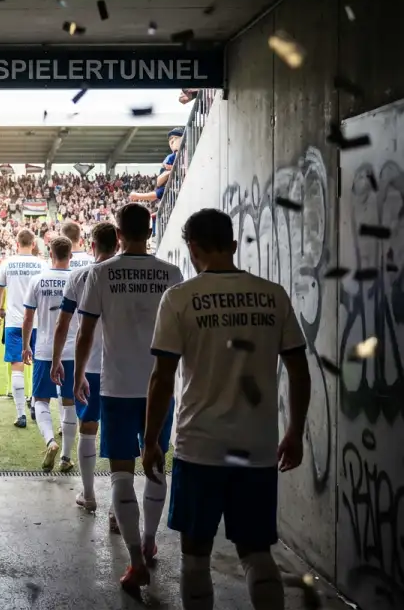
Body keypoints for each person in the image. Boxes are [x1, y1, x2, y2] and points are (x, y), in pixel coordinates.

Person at [144, 208, 311, 610]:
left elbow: (162, 377)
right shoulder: (273, 294)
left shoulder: (180, 298)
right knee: (256, 552)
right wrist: (295, 431)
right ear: (233, 245)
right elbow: (300, 370)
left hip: (200, 446)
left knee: (196, 555)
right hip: (255, 448)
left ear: (193, 247)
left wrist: (151, 440)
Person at [74, 202, 183, 593]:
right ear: (149, 229)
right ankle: (151, 540)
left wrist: (78, 376)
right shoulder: (172, 273)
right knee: (156, 464)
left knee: (121, 472)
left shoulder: (100, 273)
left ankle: (136, 561)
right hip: (160, 386)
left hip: (117, 387)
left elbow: (85, 333)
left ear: (117, 234)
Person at [51, 222, 119, 523]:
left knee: (87, 426)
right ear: (117, 244)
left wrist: (56, 360)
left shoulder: (80, 276)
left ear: (92, 245)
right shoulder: (123, 275)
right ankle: (120, 508)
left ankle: (89, 495)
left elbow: (63, 324)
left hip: (89, 365)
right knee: (121, 435)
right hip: (123, 366)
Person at [21, 237, 76, 472]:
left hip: (44, 349)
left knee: (41, 400)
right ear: (70, 255)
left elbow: (28, 318)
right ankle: (65, 457)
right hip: (72, 351)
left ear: (49, 254)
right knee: (70, 402)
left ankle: (50, 441)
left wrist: (25, 345)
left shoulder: (37, 280)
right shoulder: (77, 279)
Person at [0, 228, 45, 427]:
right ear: (33, 244)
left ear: (17, 244)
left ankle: (21, 414)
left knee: (17, 366)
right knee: (39, 365)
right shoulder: (42, 264)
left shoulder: (7, 263)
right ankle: (35, 404)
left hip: (15, 322)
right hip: (38, 322)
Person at [129, 127, 184, 238]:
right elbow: (159, 182)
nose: (172, 141)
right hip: (171, 190)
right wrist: (172, 170)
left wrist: (173, 169)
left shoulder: (190, 153)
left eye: (176, 138)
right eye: (170, 139)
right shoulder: (170, 157)